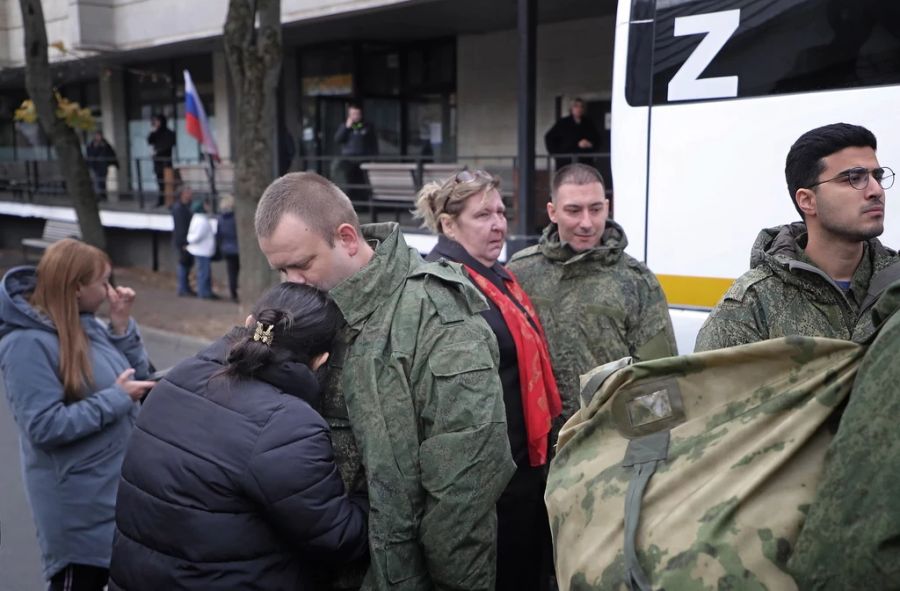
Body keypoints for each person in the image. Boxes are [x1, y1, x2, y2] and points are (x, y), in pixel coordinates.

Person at [255, 172, 515, 590]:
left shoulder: (437, 318)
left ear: (348, 238)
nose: (291, 283)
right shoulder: (309, 310)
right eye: (281, 269)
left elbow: (464, 492)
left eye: (302, 265)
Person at [109, 282, 369, 590]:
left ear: (249, 323)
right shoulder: (288, 425)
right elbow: (338, 537)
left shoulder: (181, 376)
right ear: (320, 360)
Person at [415, 169, 560, 591]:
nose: (498, 224)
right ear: (448, 224)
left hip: (525, 469)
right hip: (488, 486)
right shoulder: (442, 285)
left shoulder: (499, 276)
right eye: (482, 215)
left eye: (501, 212)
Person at [0, 239, 154, 591]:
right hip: (78, 511)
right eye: (103, 282)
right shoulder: (25, 344)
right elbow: (42, 425)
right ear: (76, 288)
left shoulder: (89, 326)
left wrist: (120, 325)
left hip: (111, 499)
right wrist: (116, 400)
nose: (110, 290)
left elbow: (137, 376)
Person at [695, 123, 900, 352]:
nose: (876, 191)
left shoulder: (894, 284)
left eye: (877, 177)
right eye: (854, 178)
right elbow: (709, 387)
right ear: (807, 201)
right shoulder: (753, 306)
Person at [507, 163, 677, 431]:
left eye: (595, 209)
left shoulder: (637, 281)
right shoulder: (521, 273)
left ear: (608, 207)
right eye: (573, 210)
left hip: (607, 444)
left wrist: (649, 451)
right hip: (536, 447)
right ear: (553, 212)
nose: (586, 223)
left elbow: (657, 374)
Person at [333, 102, 378, 201]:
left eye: (357, 114)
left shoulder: (367, 126)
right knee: (350, 183)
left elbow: (373, 143)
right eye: (353, 114)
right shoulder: (345, 126)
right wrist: (346, 127)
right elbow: (337, 139)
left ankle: (364, 204)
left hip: (363, 159)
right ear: (349, 115)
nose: (355, 116)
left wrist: (374, 158)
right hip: (349, 160)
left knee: (363, 183)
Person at [544, 97, 602, 170]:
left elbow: (597, 139)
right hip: (566, 162)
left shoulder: (588, 123)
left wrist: (590, 144)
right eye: (576, 106)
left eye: (581, 106)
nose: (579, 109)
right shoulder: (563, 123)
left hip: (585, 162)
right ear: (571, 109)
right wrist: (557, 156)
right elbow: (549, 137)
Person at [186, 195, 218, 300]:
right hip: (202, 251)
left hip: (201, 250)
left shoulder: (197, 218)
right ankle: (203, 292)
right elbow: (197, 236)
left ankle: (205, 291)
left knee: (204, 272)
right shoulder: (201, 221)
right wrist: (191, 240)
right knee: (204, 273)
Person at [171, 178, 195, 297]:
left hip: (186, 239)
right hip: (183, 241)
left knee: (187, 263)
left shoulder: (185, 207)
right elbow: (180, 227)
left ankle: (185, 287)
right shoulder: (179, 208)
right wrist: (183, 242)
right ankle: (183, 288)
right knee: (183, 263)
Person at [147, 114, 176, 207]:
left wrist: (157, 152)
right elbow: (149, 140)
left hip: (166, 162)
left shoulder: (169, 133)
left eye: (158, 121)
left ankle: (169, 201)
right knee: (160, 183)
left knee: (167, 183)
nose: (156, 123)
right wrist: (153, 130)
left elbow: (168, 146)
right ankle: (161, 200)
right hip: (158, 163)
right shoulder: (156, 133)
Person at [217, 194, 240, 302]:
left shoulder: (221, 219)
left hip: (226, 248)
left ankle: (233, 293)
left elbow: (219, 234)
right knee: (237, 271)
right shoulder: (235, 219)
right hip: (236, 249)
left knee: (231, 272)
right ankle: (236, 292)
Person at [85, 131, 117, 200]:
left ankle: (102, 195)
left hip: (102, 165)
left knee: (101, 181)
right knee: (96, 180)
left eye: (99, 135)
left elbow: (110, 153)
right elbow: (89, 154)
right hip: (94, 165)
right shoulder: (92, 144)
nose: (98, 137)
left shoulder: (105, 144)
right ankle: (98, 194)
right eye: (97, 135)